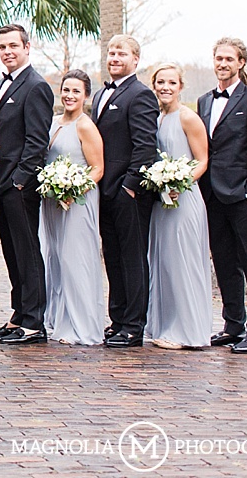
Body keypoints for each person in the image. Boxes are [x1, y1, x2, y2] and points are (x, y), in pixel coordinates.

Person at [197, 37, 247, 354]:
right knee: (225, 263)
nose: (223, 64)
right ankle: (233, 325)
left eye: (229, 59)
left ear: (241, 62)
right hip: (212, 196)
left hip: (242, 196)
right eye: (218, 58)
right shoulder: (203, 101)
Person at [0, 24, 54, 346]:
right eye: (2, 47)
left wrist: (19, 181)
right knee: (12, 253)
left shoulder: (36, 86)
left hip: (19, 185)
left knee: (27, 252)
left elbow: (36, 141)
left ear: (27, 47)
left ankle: (34, 322)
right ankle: (18, 315)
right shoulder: (4, 84)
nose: (7, 52)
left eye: (13, 45)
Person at [91, 34, 159, 349]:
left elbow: (146, 146)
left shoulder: (141, 95)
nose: (114, 57)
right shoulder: (101, 95)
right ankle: (117, 319)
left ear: (135, 59)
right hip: (104, 190)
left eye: (122, 53)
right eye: (111, 52)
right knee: (113, 257)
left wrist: (130, 186)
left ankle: (133, 326)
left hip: (127, 192)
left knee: (132, 258)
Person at [147, 63, 212, 350]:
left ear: (180, 87)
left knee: (184, 262)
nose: (165, 87)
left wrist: (179, 182)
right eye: (160, 82)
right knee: (164, 262)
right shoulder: (157, 118)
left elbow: (202, 160)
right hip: (161, 200)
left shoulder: (189, 118)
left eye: (171, 83)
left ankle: (189, 332)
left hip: (183, 198)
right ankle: (166, 325)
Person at [39, 70, 105, 346]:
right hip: (53, 200)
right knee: (54, 258)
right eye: (66, 89)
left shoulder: (85, 125)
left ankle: (82, 325)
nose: (69, 95)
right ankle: (58, 319)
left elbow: (98, 168)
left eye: (76, 91)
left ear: (85, 95)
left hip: (77, 201)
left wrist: (72, 189)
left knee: (75, 259)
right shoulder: (53, 123)